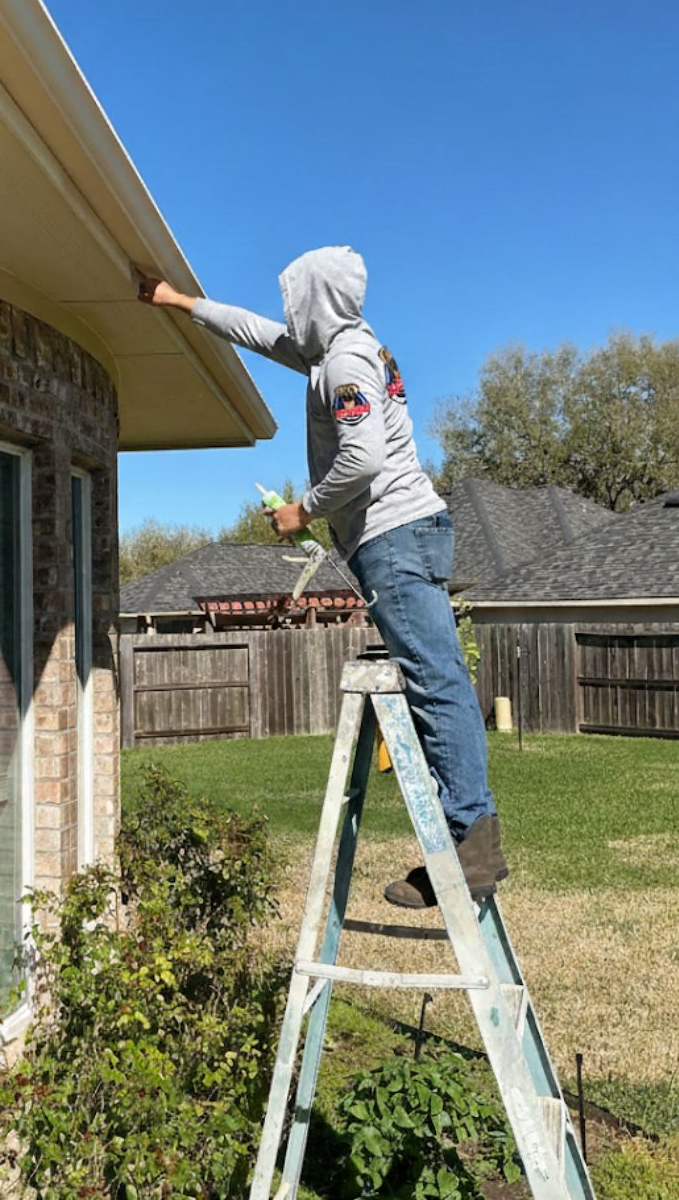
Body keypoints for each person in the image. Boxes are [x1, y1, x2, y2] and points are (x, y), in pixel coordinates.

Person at [136, 246, 507, 906]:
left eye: (294, 300)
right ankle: (463, 841)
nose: (288, 313)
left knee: (437, 683)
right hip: (399, 537)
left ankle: (470, 850)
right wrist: (182, 302)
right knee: (435, 680)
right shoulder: (339, 349)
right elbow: (260, 334)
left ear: (317, 300)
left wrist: (301, 509)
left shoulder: (343, 362)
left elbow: (361, 458)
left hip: (395, 537)